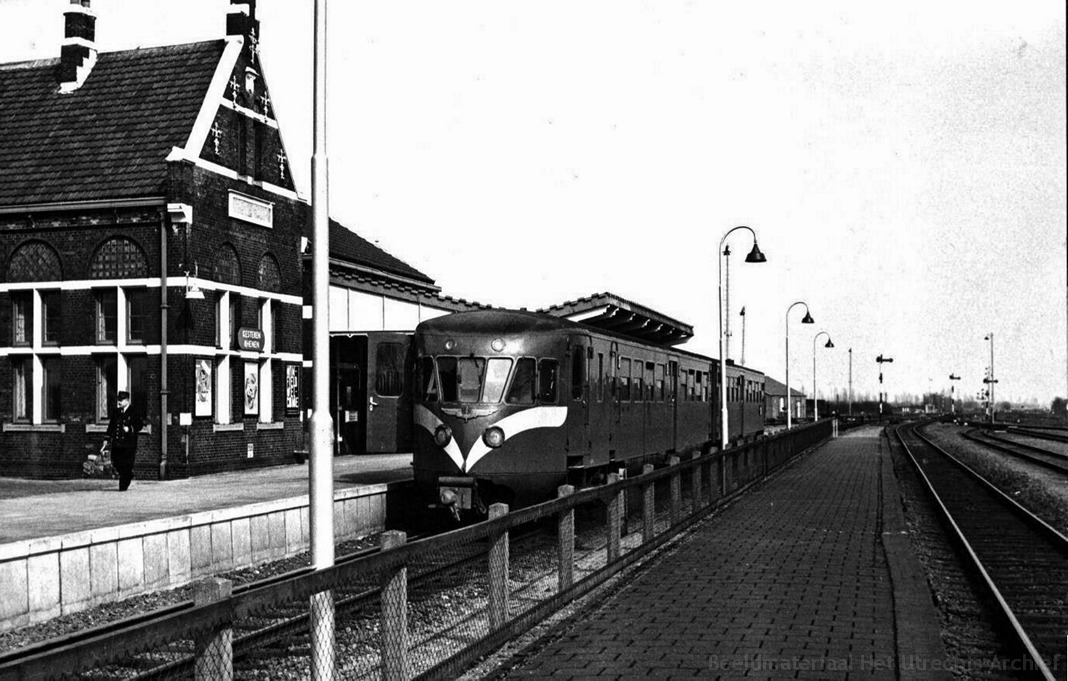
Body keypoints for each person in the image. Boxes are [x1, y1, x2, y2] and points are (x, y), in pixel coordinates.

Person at [103, 390, 143, 491]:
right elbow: (111, 426)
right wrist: (106, 438)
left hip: (129, 444)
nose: (119, 402)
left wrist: (130, 429)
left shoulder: (134, 411)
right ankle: (128, 474)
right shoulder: (116, 412)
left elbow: (140, 425)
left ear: (127, 400)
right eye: (118, 400)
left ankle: (123, 485)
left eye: (121, 400)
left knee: (126, 464)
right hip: (117, 443)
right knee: (115, 461)